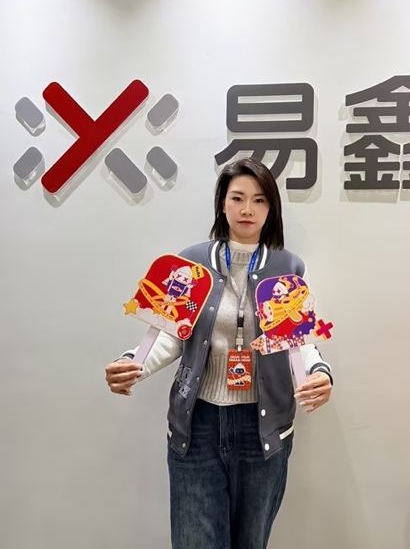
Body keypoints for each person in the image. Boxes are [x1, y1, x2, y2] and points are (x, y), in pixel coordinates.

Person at [105, 157, 333, 549]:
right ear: (222, 204)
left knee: (251, 541)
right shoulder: (191, 263)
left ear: (271, 208)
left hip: (262, 428)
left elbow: (297, 340)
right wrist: (133, 364)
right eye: (238, 198)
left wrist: (319, 373)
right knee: (195, 540)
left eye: (259, 200)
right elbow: (171, 336)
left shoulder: (288, 267)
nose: (247, 209)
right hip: (198, 425)